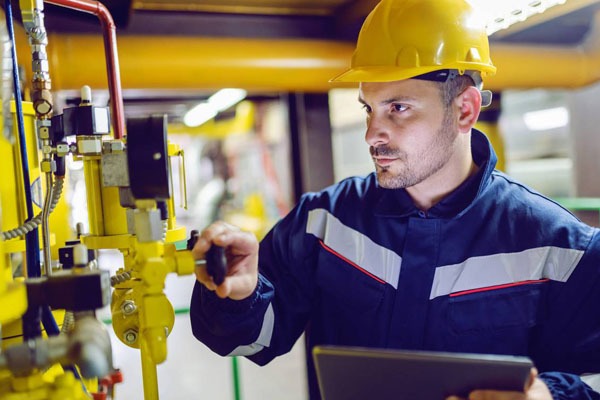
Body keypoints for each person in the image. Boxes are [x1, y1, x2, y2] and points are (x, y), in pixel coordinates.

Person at [189, 0, 600, 398]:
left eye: (398, 108)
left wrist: (549, 396)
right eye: (369, 109)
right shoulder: (324, 221)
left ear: (465, 111)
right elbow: (253, 340)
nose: (372, 134)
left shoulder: (558, 248)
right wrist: (240, 296)